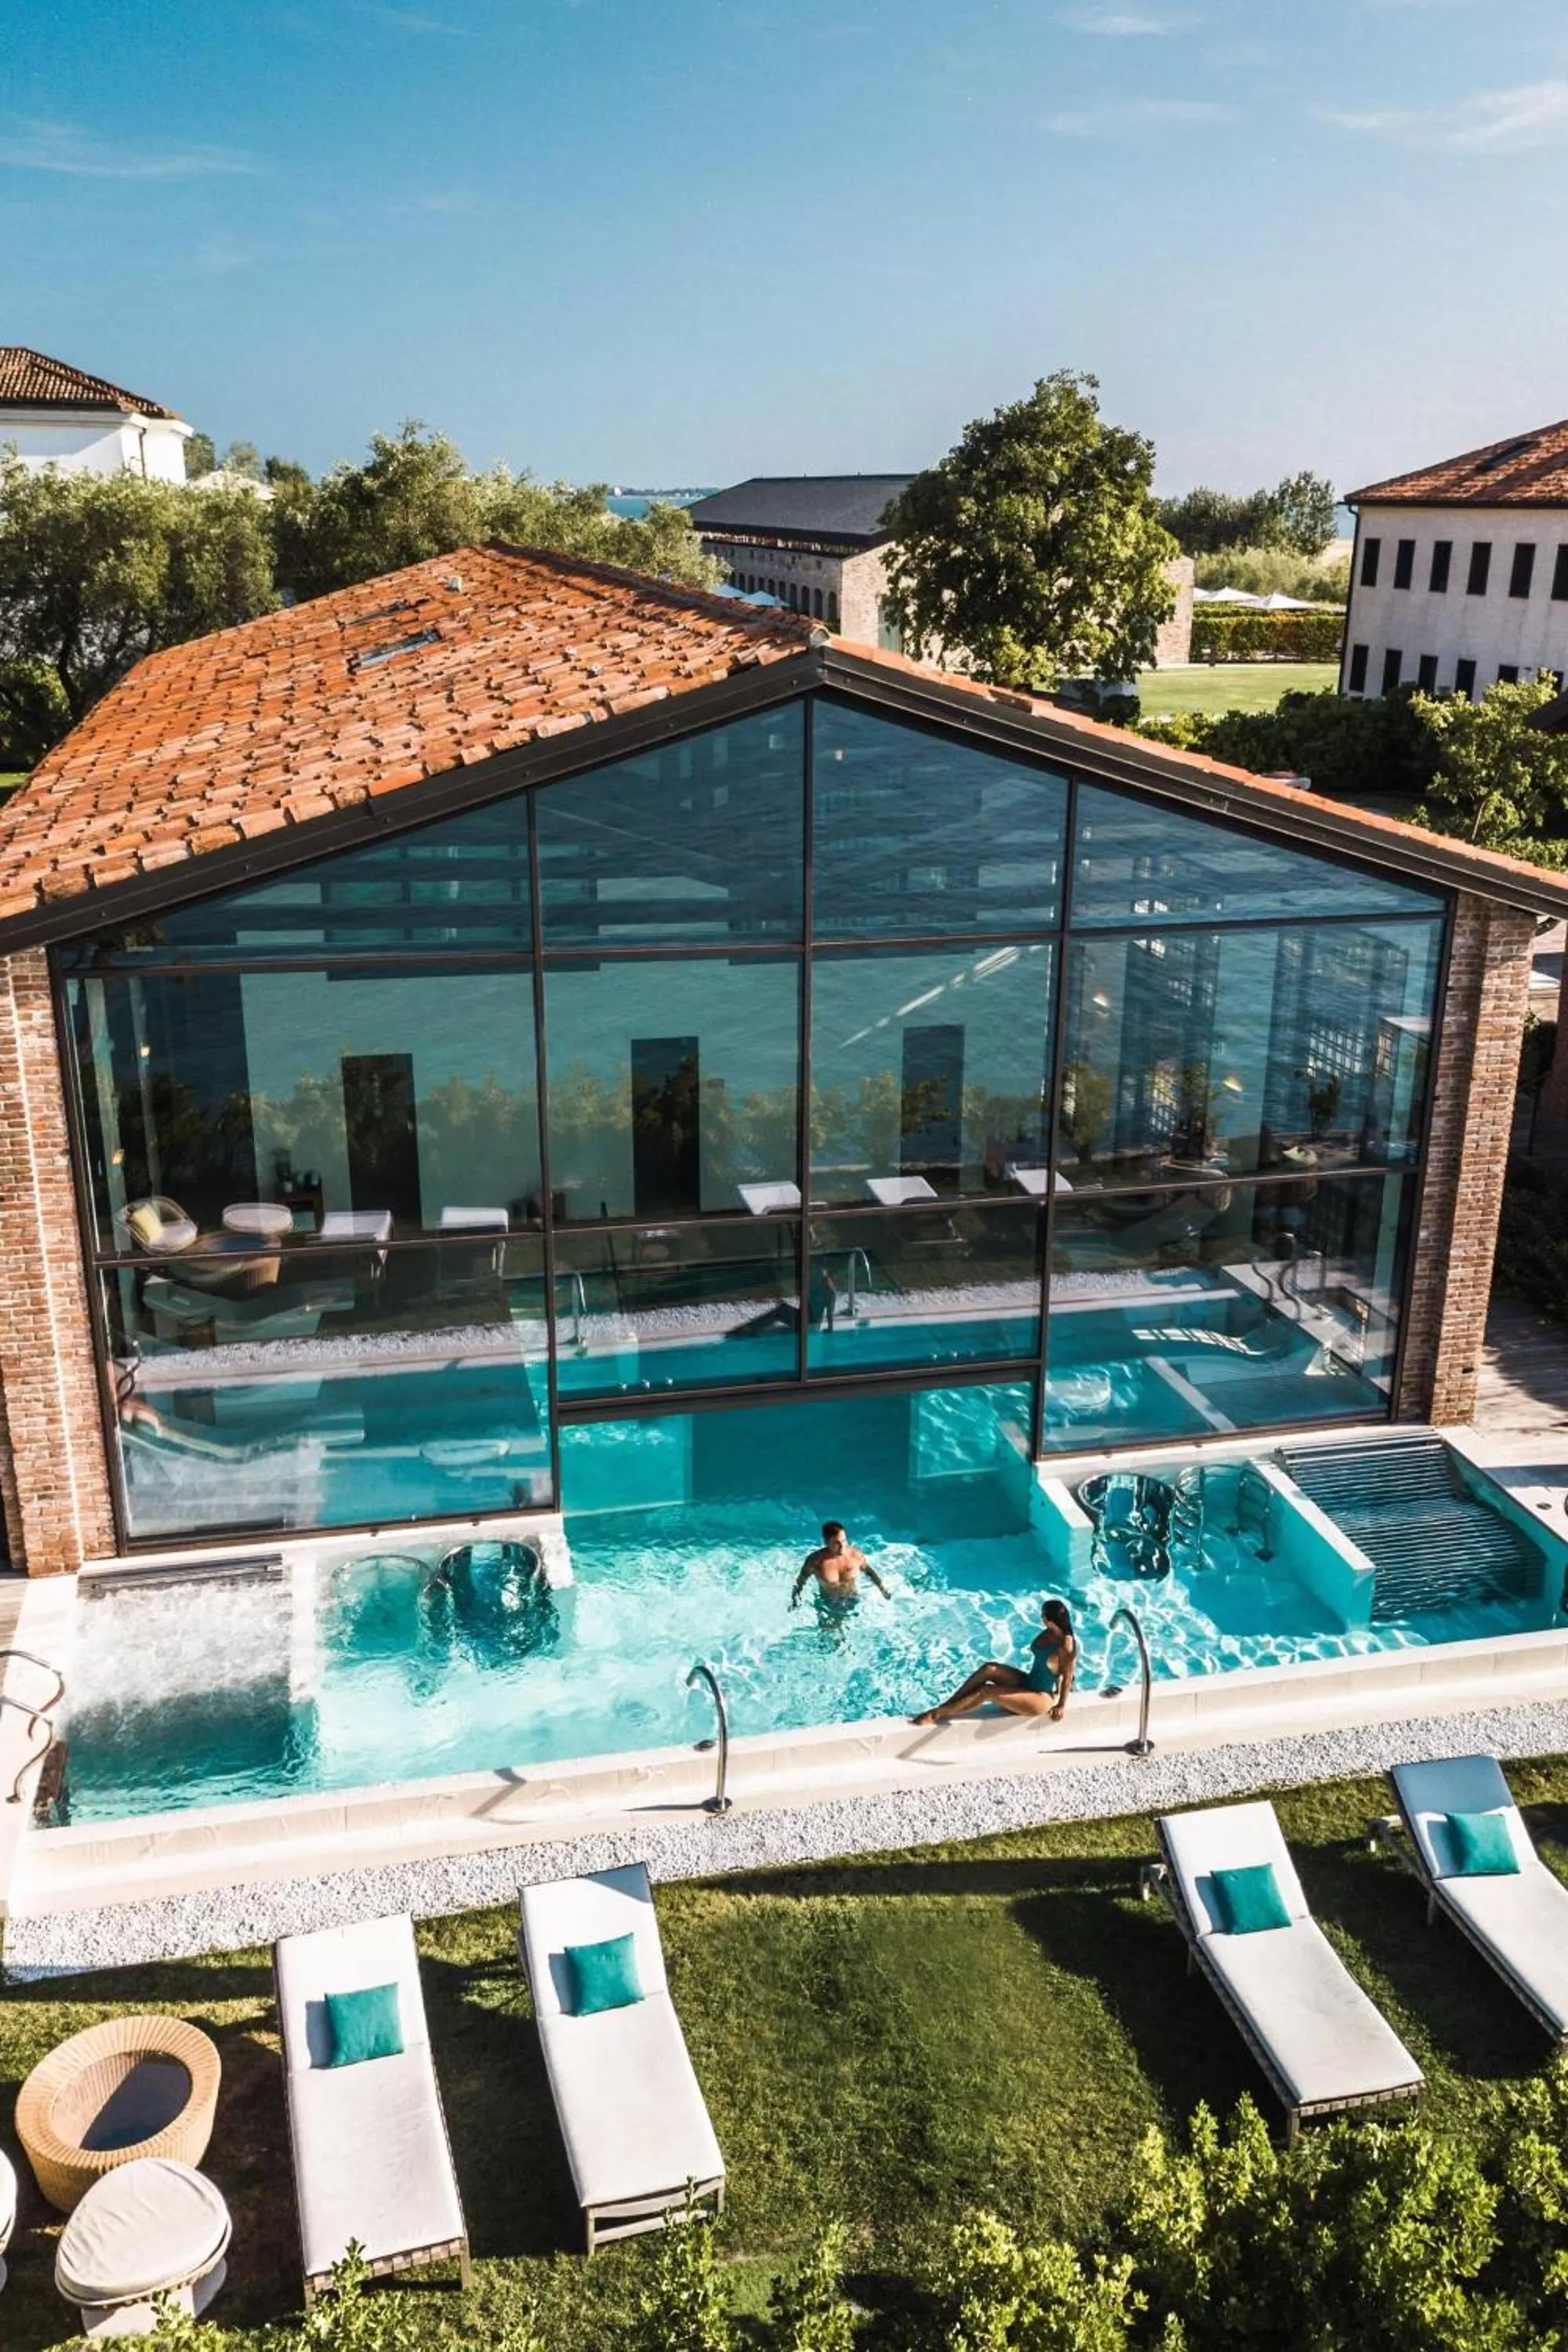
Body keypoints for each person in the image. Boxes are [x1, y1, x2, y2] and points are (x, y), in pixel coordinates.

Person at [913, 1598, 1076, 1725]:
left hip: (1040, 1698)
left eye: (1042, 1616)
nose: (1041, 1618)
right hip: (1029, 1681)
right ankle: (949, 1704)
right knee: (989, 1668)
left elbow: (1068, 1677)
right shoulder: (1049, 1632)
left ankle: (938, 1713)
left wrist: (1060, 1705)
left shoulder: (1066, 1646)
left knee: (987, 1691)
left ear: (1049, 1620)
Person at [791, 1520, 889, 1611]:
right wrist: (795, 1601)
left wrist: (883, 1591)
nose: (842, 1547)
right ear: (826, 1542)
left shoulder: (855, 1556)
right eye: (837, 1543)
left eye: (844, 1541)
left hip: (854, 1601)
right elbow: (801, 1581)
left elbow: (869, 1572)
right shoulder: (815, 1561)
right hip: (828, 1606)